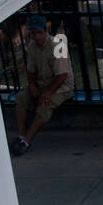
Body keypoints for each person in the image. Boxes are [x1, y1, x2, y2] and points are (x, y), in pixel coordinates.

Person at [10, 15, 74, 156]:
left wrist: (48, 92)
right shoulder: (32, 47)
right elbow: (31, 70)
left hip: (63, 87)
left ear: (46, 31)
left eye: (39, 32)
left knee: (45, 103)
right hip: (43, 83)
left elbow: (62, 76)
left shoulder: (59, 45)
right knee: (21, 98)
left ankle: (26, 141)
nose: (37, 36)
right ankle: (21, 135)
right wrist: (32, 85)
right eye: (33, 33)